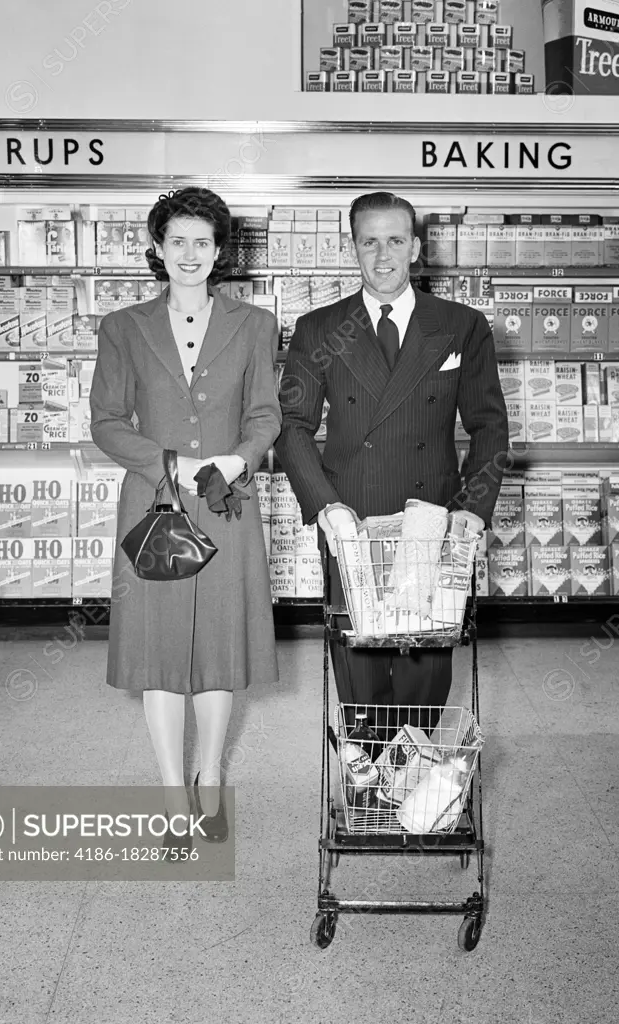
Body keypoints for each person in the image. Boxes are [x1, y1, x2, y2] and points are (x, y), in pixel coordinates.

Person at [89, 187, 281, 847]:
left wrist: (238, 460)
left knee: (219, 651)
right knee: (162, 652)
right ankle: (173, 794)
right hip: (155, 503)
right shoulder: (123, 327)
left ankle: (209, 781)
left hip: (226, 500)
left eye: (203, 242)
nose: (190, 254)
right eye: (178, 241)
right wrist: (163, 460)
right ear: (157, 248)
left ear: (221, 250)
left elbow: (264, 414)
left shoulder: (255, 325)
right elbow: (107, 423)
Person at [275, 191, 508, 731]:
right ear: (351, 247)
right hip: (350, 521)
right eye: (370, 242)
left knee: (424, 669)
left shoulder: (461, 325)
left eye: (395, 241)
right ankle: (367, 793)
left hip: (434, 521)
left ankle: (419, 790)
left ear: (416, 248)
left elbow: (490, 426)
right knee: (360, 669)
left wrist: (473, 511)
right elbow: (292, 428)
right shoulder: (317, 328)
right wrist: (326, 508)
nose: (383, 256)